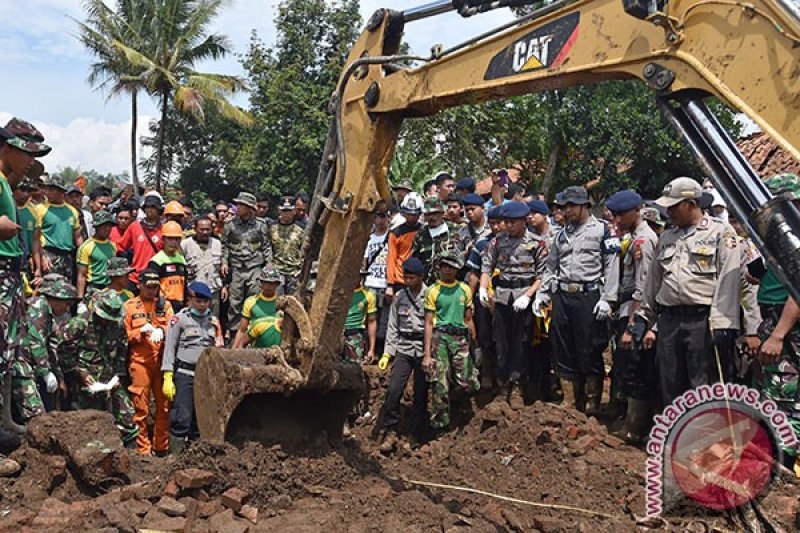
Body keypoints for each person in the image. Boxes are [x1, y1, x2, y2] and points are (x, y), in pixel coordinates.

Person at [639, 177, 741, 405]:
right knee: (670, 383)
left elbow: (729, 280)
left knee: (702, 385)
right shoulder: (667, 236)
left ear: (691, 203)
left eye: (674, 206)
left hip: (702, 321)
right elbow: (654, 281)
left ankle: (704, 438)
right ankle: (676, 436)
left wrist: (724, 323)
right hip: (669, 320)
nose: (668, 211)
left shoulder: (720, 233)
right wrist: (644, 316)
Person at [533, 186, 620, 414]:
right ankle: (570, 401)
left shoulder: (603, 230)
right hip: (562, 295)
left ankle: (591, 401)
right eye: (564, 206)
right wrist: (542, 293)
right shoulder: (561, 234)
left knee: (590, 348)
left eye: (571, 206)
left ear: (584, 205)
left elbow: (612, 266)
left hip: (589, 295)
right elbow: (551, 266)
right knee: (563, 347)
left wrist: (608, 299)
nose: (566, 211)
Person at [604, 190, 658, 443]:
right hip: (627, 310)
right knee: (626, 367)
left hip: (637, 313)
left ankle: (635, 428)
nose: (616, 219)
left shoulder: (643, 242)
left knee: (636, 369)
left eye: (620, 215)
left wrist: (633, 325)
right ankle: (628, 420)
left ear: (636, 211)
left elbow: (643, 287)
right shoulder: (631, 238)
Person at [480, 201, 546, 405]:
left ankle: (517, 385)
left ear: (523, 221)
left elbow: (543, 275)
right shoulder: (497, 242)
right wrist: (483, 288)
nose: (508, 226)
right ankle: (503, 384)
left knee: (521, 342)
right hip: (501, 296)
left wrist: (529, 295)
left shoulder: (536, 243)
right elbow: (486, 267)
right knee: (501, 342)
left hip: (523, 295)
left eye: (512, 222)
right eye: (505, 222)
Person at [62, 290, 138, 447]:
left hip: (110, 379)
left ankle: (132, 458)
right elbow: (63, 351)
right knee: (88, 422)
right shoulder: (79, 324)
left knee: (127, 416)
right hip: (85, 383)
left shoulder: (117, 325)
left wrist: (118, 376)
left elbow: (122, 350)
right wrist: (79, 372)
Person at [161, 281, 223, 454]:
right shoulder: (180, 319)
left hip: (205, 376)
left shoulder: (213, 321)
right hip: (185, 374)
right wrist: (167, 375)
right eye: (199, 301)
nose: (202, 305)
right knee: (182, 417)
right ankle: (175, 458)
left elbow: (218, 348)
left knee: (201, 419)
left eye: (206, 301)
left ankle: (196, 457)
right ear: (190, 300)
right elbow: (169, 348)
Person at [423, 249, 479, 433]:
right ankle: (440, 425)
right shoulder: (433, 290)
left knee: (468, 382)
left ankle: (460, 403)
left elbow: (468, 318)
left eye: (451, 267)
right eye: (444, 267)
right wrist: (427, 354)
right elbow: (429, 323)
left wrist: (475, 343)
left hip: (460, 336)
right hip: (440, 337)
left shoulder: (464, 289)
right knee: (440, 383)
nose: (447, 270)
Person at [378, 257, 428, 453]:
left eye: (412, 278)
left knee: (420, 393)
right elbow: (392, 326)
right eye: (405, 277)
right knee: (393, 390)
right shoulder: (400, 297)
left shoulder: (429, 295)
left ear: (421, 277)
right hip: (404, 347)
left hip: (423, 347)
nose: (408, 281)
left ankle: (414, 434)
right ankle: (390, 430)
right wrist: (387, 353)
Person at [124, 269, 174, 455]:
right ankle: (142, 449)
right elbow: (123, 336)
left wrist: (162, 330)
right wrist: (139, 333)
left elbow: (172, 328)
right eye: (148, 287)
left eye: (155, 287)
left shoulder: (165, 305)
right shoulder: (130, 306)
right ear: (139, 285)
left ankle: (161, 446)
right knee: (140, 407)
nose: (152, 291)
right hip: (140, 362)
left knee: (164, 406)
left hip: (161, 361)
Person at [13, 278, 75, 422]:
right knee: (37, 416)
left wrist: (58, 376)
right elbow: (36, 342)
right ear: (55, 298)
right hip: (19, 364)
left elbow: (50, 347)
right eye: (67, 303)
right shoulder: (38, 307)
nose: (67, 309)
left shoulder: (48, 314)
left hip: (29, 365)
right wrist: (46, 373)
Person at [221, 192, 272, 336]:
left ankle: (254, 331)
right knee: (235, 302)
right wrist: (224, 262)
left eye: (241, 205)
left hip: (254, 267)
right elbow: (225, 246)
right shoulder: (230, 225)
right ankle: (234, 332)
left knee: (254, 300)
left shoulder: (260, 225)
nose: (238, 208)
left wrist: (269, 263)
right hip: (237, 268)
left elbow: (266, 246)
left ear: (249, 208)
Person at [39, 175, 83, 281]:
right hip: (49, 254)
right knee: (48, 287)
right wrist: (42, 256)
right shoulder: (40, 209)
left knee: (67, 288)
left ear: (61, 191)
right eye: (47, 189)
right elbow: (35, 237)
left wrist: (83, 255)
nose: (47, 192)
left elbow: (77, 236)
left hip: (68, 256)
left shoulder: (72, 211)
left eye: (51, 189)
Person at [181, 215, 225, 319]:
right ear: (195, 229)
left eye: (208, 229)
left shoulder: (217, 243)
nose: (205, 232)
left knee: (213, 321)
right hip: (194, 292)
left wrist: (224, 286)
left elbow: (222, 267)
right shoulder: (185, 244)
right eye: (202, 229)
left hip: (213, 291)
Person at [117, 194, 164, 286]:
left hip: (155, 278)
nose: (150, 209)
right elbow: (120, 247)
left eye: (153, 207)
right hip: (135, 277)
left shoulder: (164, 229)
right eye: (147, 206)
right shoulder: (134, 226)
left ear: (159, 210)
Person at [232, 265, 283, 349]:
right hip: (254, 344)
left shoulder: (281, 303)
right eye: (265, 282)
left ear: (277, 284)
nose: (268, 286)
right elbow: (242, 329)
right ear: (261, 283)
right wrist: (233, 350)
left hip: (276, 345)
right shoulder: (251, 301)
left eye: (271, 283)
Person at [386, 194, 422, 302]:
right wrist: (390, 285)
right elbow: (391, 259)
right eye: (409, 214)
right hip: (400, 281)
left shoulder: (424, 230)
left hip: (419, 280)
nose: (411, 217)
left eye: (414, 214)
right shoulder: (395, 233)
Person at [364, 210, 390, 354]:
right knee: (370, 318)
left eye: (383, 216)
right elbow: (364, 261)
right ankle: (370, 350)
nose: (380, 220)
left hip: (385, 284)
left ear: (388, 218)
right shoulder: (369, 239)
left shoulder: (392, 237)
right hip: (370, 283)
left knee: (384, 322)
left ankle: (382, 351)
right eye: (377, 217)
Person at [412, 197, 455, 285]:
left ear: (442, 213)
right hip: (428, 284)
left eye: (435, 213)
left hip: (452, 284)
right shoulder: (421, 234)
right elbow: (416, 260)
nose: (431, 217)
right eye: (428, 214)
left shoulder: (455, 230)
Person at [76, 210, 117, 298]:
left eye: (109, 226)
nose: (107, 228)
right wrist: (80, 299)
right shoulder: (86, 247)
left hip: (109, 289)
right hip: (93, 289)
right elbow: (82, 275)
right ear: (96, 226)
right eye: (104, 225)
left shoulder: (112, 246)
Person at [148, 221, 188, 311]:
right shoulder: (156, 261)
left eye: (176, 239)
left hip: (180, 307)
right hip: (163, 306)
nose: (173, 242)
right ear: (163, 239)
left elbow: (184, 285)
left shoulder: (181, 259)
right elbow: (151, 288)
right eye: (170, 238)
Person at [342, 268, 378, 365]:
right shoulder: (339, 292)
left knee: (354, 368)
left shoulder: (368, 295)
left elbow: (372, 321)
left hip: (355, 333)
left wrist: (371, 349)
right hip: (337, 333)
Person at [269, 196, 304, 294]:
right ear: (279, 211)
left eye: (289, 210)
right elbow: (267, 247)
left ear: (294, 211)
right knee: (276, 302)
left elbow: (304, 250)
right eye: (284, 210)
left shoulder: (301, 229)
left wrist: (301, 269)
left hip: (294, 273)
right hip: (276, 272)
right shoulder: (271, 228)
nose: (286, 214)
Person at [15, 177, 42, 286]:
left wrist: (38, 268)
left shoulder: (34, 211)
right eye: (22, 190)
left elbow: (36, 241)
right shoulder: (6, 207)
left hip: (26, 262)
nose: (25, 194)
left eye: (28, 191)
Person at [456, 193, 489, 258]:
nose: (469, 212)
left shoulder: (493, 226)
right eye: (467, 210)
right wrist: (467, 252)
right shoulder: (462, 232)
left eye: (472, 209)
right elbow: (456, 256)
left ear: (482, 208)